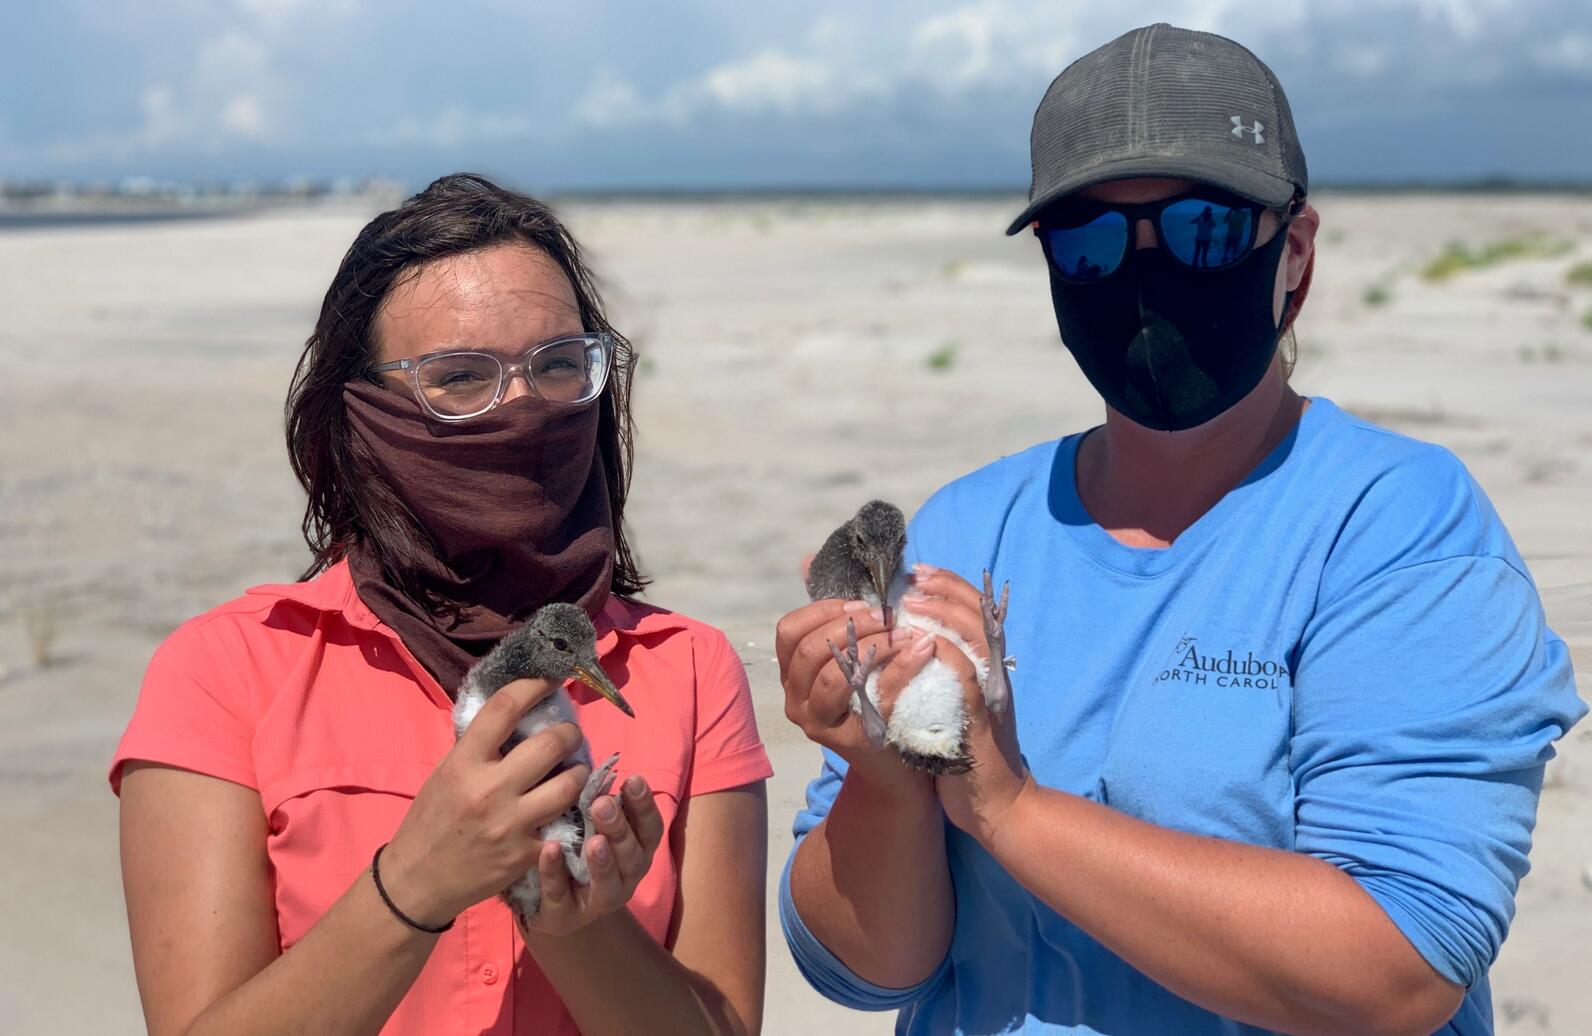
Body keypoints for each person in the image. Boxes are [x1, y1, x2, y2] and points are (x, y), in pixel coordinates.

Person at [776, 24, 1583, 1036]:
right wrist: (886, 783)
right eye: (1089, 239)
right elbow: (862, 968)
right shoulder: (965, 526)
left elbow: (1397, 965)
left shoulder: (1396, 528)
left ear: (1292, 253)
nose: (1141, 272)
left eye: (1202, 228)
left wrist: (1007, 805)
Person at [110, 174, 771, 1036]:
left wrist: (574, 920)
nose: (524, 409)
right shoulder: (225, 671)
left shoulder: (686, 669)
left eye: (560, 365)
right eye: (459, 378)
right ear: (362, 414)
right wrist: (415, 885)